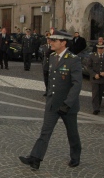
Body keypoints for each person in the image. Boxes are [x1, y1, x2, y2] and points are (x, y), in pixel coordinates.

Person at [19, 30, 82, 170]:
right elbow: (50, 79)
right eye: (51, 40)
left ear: (63, 42)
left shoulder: (73, 59)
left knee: (72, 133)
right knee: (45, 132)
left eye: (54, 40)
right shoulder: (53, 57)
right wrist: (49, 96)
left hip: (68, 105)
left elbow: (77, 84)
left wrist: (68, 103)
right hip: (53, 103)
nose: (51, 42)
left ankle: (75, 156)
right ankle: (35, 159)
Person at [87, 44, 104, 115]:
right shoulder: (92, 56)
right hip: (95, 78)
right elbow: (89, 67)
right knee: (95, 93)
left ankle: (98, 105)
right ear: (97, 49)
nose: (100, 50)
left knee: (100, 93)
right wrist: (94, 74)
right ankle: (96, 108)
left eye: (102, 48)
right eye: (99, 48)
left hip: (103, 78)